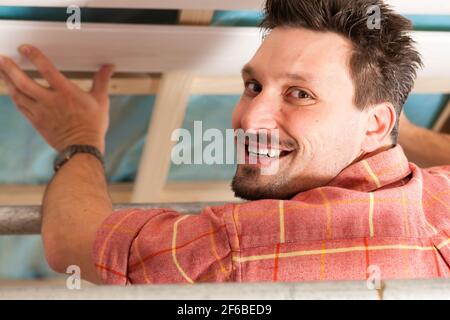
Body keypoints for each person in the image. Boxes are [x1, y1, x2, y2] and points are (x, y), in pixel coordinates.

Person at [0, 0, 448, 285]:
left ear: (375, 124)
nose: (249, 118)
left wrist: (77, 138)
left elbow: (75, 241)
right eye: (253, 86)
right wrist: (371, 129)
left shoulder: (248, 246)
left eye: (300, 94)